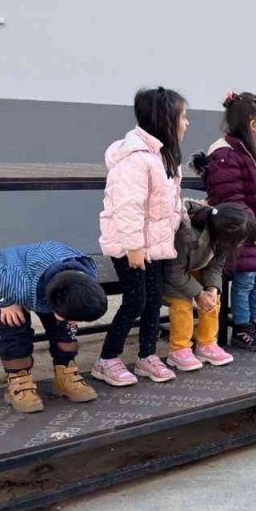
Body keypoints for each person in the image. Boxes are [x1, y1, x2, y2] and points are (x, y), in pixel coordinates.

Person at [94, 86, 186, 387]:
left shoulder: (164, 156)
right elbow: (127, 206)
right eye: (182, 117)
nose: (186, 123)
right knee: (136, 301)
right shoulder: (135, 157)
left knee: (153, 301)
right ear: (164, 119)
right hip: (130, 245)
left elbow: (169, 201)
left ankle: (147, 356)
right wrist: (134, 246)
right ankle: (107, 359)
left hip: (156, 243)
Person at [0, 242, 109, 413]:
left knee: (65, 329)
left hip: (44, 272)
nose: (76, 323)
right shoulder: (10, 281)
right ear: (57, 311)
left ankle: (64, 375)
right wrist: (7, 303)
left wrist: (70, 318)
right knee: (15, 325)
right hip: (3, 279)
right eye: (75, 319)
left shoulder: (85, 273)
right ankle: (18, 380)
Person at [201, 91, 256, 352]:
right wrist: (251, 229)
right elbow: (231, 199)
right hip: (242, 231)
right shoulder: (226, 153)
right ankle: (241, 327)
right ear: (253, 124)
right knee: (246, 278)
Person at [162, 201, 254, 371]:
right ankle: (179, 349)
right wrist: (198, 293)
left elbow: (215, 267)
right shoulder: (186, 235)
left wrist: (211, 289)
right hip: (168, 272)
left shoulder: (222, 239)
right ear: (226, 234)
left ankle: (206, 343)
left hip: (192, 268)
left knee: (213, 299)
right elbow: (173, 272)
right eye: (239, 241)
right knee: (181, 303)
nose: (241, 244)